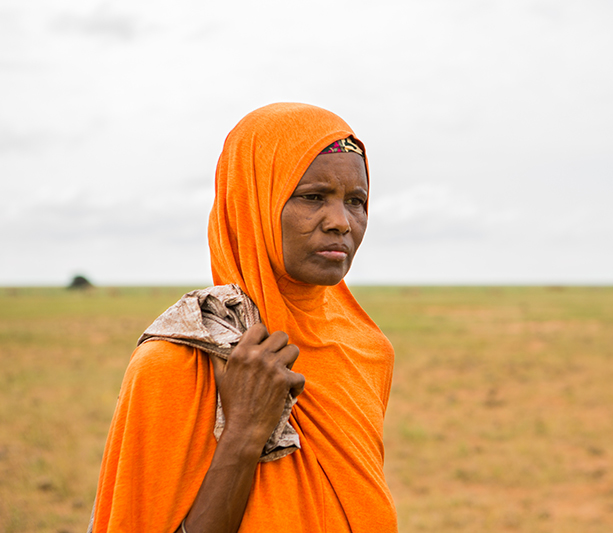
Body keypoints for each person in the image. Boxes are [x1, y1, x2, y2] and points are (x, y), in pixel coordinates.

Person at [89, 103, 397, 532]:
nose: (341, 222)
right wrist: (244, 434)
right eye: (312, 197)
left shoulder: (367, 349)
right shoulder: (177, 361)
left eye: (356, 201)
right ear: (251, 200)